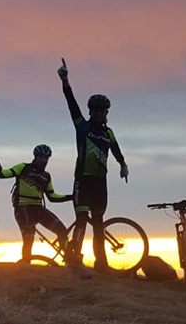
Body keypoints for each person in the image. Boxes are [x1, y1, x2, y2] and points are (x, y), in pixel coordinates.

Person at [57, 58, 129, 272]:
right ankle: (75, 260)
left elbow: (116, 149)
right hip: (82, 180)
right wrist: (65, 80)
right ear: (90, 111)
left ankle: (101, 264)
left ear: (107, 113)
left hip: (100, 182)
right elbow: (71, 103)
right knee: (81, 221)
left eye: (102, 110)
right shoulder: (82, 126)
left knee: (98, 224)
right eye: (95, 110)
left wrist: (123, 164)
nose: (98, 113)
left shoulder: (109, 132)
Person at [0, 144, 72, 264]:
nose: (43, 160)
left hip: (38, 208)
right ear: (35, 156)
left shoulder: (46, 176)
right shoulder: (23, 167)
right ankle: (26, 266)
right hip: (23, 208)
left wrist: (71, 197)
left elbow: (52, 196)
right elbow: (3, 174)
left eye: (46, 158)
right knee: (29, 237)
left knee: (62, 231)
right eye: (41, 157)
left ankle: (70, 261)